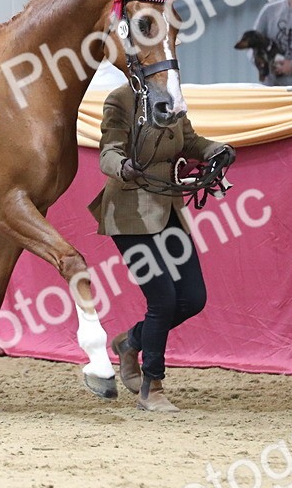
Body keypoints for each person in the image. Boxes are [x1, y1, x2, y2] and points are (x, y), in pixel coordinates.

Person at [89, 84, 235, 412]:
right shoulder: (120, 99)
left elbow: (191, 140)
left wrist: (215, 149)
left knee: (193, 298)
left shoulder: (172, 97)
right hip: (127, 212)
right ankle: (151, 387)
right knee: (163, 298)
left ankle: (131, 342)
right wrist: (122, 166)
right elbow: (108, 152)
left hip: (168, 207)